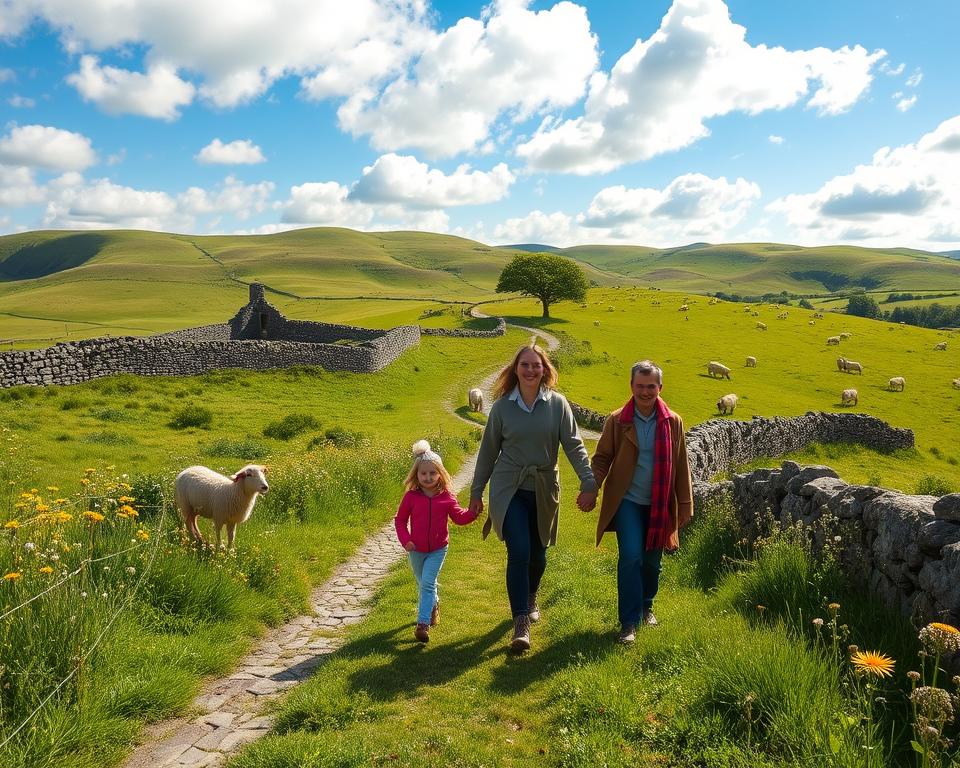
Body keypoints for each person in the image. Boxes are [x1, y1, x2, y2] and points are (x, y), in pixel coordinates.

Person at [469, 343, 597, 652]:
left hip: (543, 487)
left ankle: (530, 596)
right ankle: (520, 622)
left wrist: (589, 482)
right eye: (524, 365)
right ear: (515, 369)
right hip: (508, 486)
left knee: (538, 556)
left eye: (535, 365)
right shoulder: (501, 407)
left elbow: (574, 446)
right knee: (520, 550)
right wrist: (476, 493)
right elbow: (487, 453)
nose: (530, 370)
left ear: (545, 370)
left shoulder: (557, 405)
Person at [590, 360, 693, 645]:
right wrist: (591, 487)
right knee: (631, 556)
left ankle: (647, 605)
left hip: (659, 503)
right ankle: (628, 622)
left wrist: (685, 505)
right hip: (627, 501)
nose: (646, 392)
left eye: (651, 386)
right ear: (631, 386)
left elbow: (682, 464)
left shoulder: (673, 421)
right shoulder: (618, 420)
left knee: (652, 563)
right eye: (640, 386)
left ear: (660, 387)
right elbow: (601, 459)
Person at [395, 439, 477, 643]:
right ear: (417, 474)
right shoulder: (411, 497)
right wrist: (406, 541)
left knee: (428, 584)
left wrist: (473, 512)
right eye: (423, 473)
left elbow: (459, 517)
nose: (428, 477)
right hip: (416, 549)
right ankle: (434, 605)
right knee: (423, 583)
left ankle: (422, 624)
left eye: (433, 473)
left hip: (438, 549)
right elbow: (400, 521)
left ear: (440, 474)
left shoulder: (447, 497)